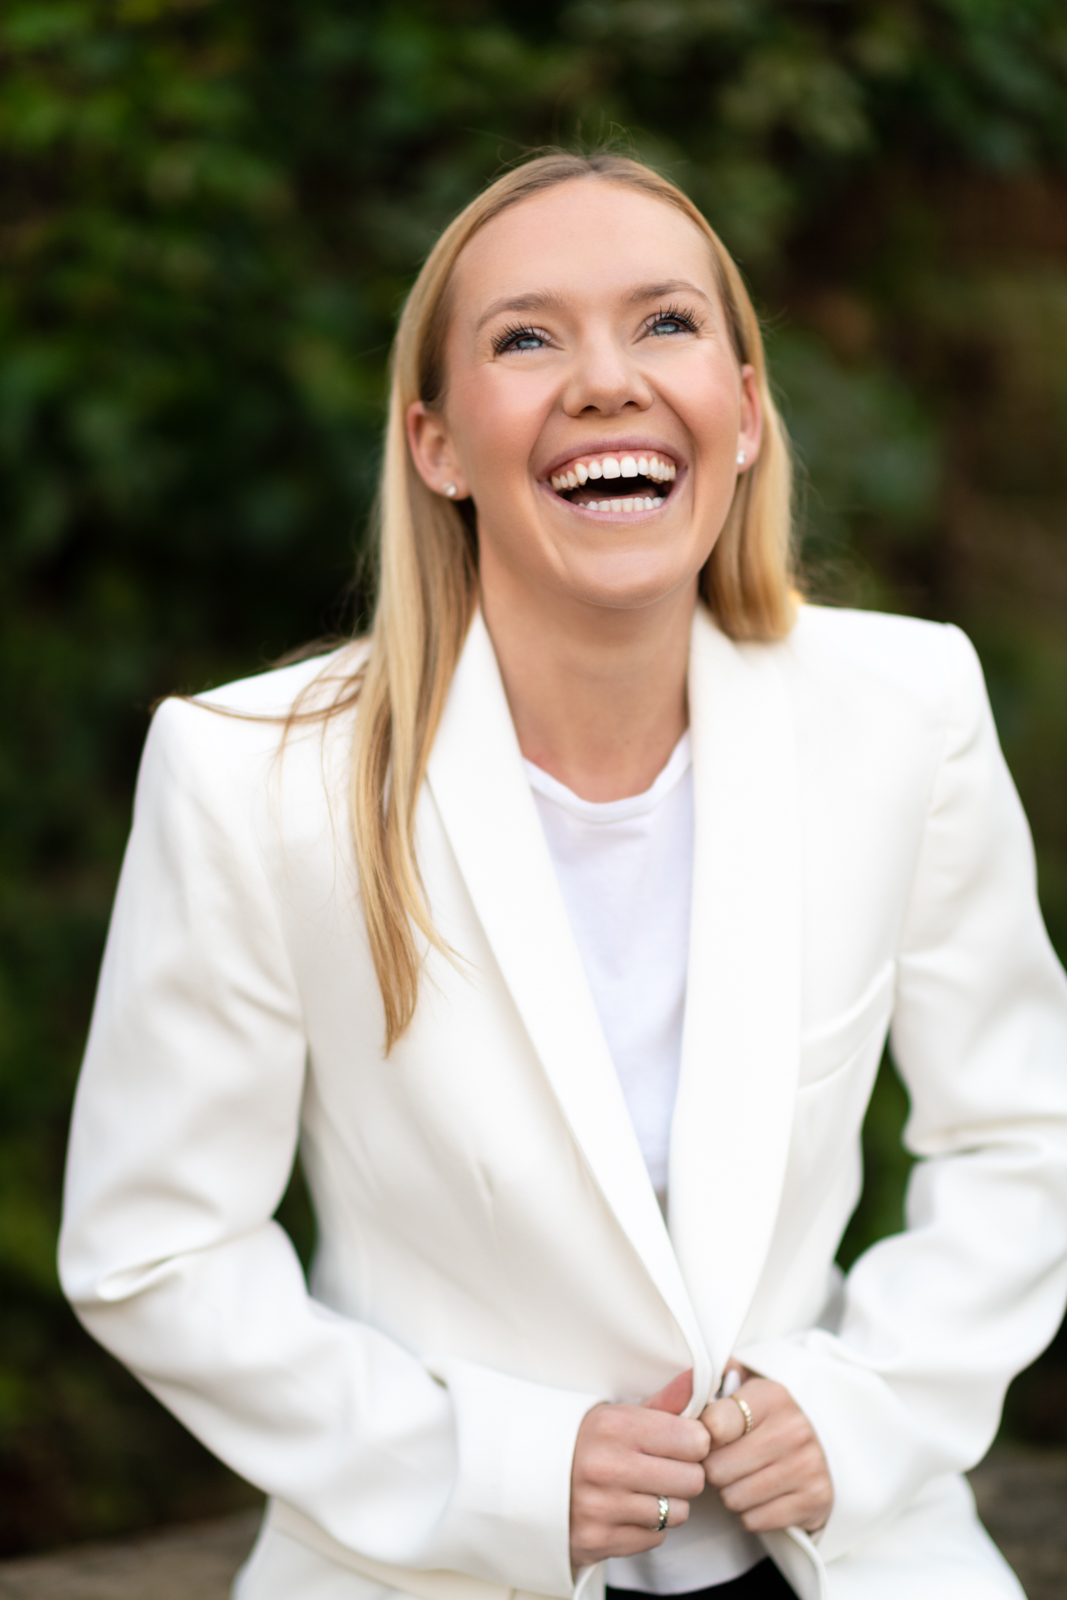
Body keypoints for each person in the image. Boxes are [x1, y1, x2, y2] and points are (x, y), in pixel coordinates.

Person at [58, 151, 1067, 1600]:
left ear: (746, 410)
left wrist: (872, 1406)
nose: (606, 380)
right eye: (526, 337)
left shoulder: (908, 706)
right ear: (436, 444)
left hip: (847, 1550)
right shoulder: (250, 777)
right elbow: (153, 1248)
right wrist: (486, 1470)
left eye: (664, 323)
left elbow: (1026, 1133)